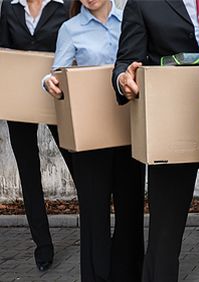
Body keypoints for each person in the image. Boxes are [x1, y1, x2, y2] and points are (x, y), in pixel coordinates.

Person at [111, 0, 199, 281]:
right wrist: (124, 79)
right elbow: (125, 61)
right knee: (164, 234)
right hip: (169, 131)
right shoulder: (142, 4)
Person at [42, 0, 145, 281]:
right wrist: (48, 83)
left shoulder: (131, 18)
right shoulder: (70, 29)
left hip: (129, 130)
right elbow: (57, 74)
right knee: (94, 213)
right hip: (89, 137)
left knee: (130, 210)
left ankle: (127, 274)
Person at [0, 0, 71, 272]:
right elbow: (4, 54)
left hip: (56, 98)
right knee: (29, 175)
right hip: (19, 103)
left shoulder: (62, 7)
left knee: (78, 165)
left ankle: (94, 234)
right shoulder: (10, 7)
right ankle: (43, 246)